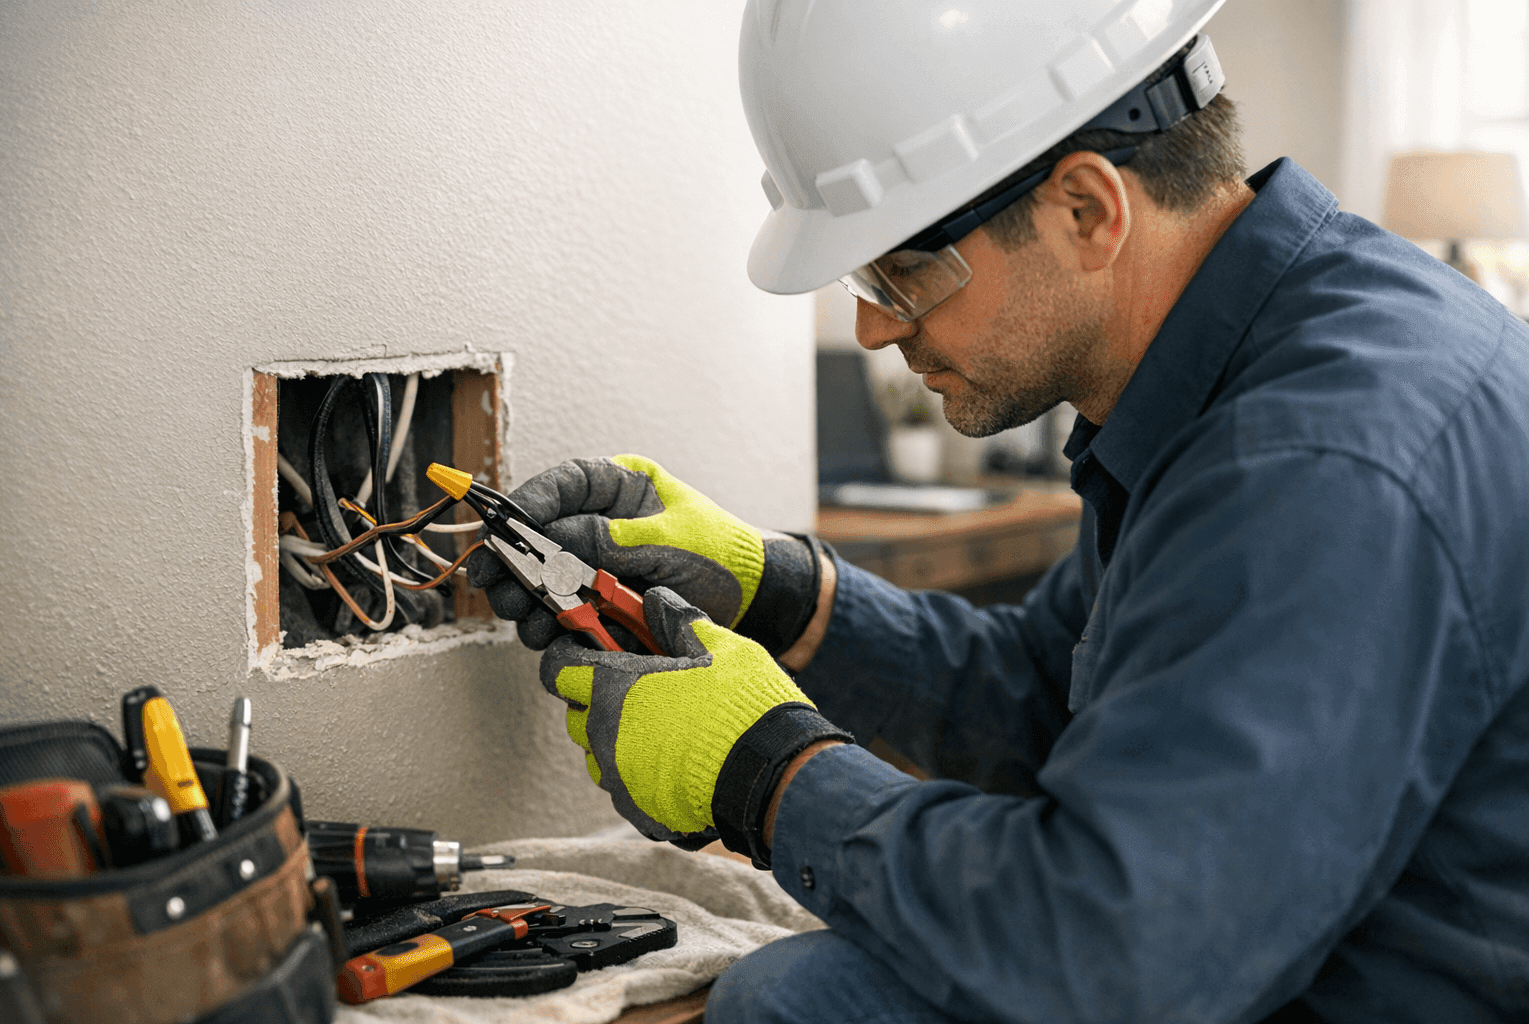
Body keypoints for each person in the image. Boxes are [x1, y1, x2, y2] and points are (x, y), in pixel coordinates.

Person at [468, 2, 1529, 1020]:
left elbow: (1120, 951)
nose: (875, 329)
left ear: (1087, 209)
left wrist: (767, 771)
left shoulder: (1316, 467)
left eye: (904, 273)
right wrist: (780, 589)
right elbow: (1048, 693)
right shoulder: (1233, 366)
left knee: (796, 1001)